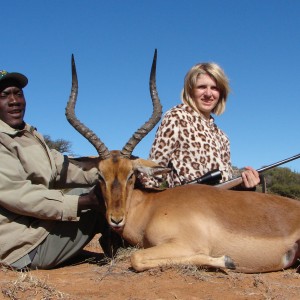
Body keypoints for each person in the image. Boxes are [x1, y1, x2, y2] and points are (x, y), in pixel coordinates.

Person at [0, 69, 108, 270]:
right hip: (21, 249)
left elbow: (65, 168)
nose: (14, 100)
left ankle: (121, 249)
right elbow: (20, 196)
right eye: (4, 95)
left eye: (18, 93)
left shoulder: (28, 134)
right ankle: (127, 252)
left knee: (109, 186)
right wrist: (85, 202)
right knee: (99, 197)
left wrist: (112, 174)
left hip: (38, 229)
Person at [141, 62, 260, 189]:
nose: (208, 94)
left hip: (219, 205)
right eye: (202, 87)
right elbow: (152, 175)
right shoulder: (176, 117)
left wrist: (245, 184)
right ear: (190, 90)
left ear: (221, 94)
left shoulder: (222, 137)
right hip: (187, 204)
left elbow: (226, 184)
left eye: (214, 88)